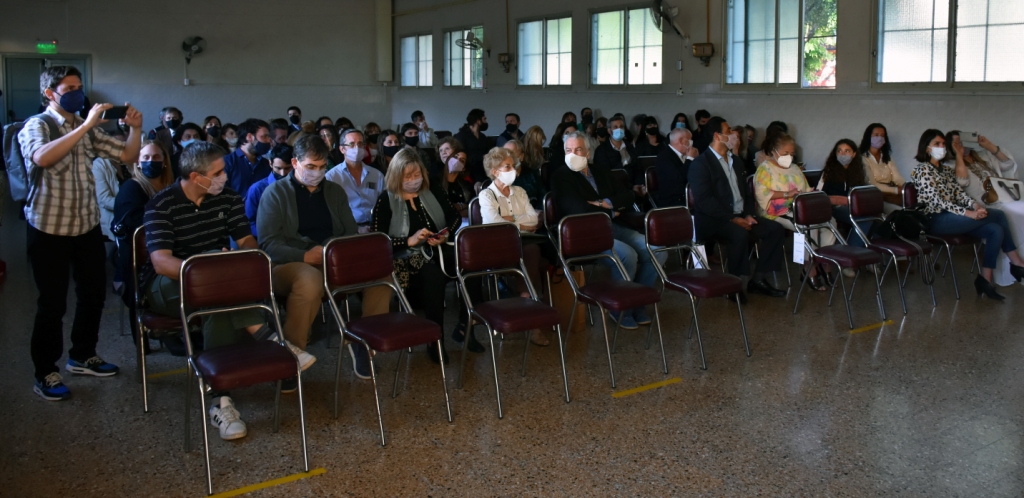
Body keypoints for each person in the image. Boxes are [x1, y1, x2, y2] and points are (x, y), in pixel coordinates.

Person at [20, 66, 143, 400]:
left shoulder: (85, 129)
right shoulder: (38, 125)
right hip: (48, 227)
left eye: (79, 86)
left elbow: (128, 154)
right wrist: (87, 124)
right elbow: (41, 157)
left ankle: (82, 354)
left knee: (93, 294)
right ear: (50, 93)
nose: (77, 92)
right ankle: (45, 371)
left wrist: (135, 129)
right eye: (69, 87)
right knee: (53, 303)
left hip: (85, 225)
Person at [143, 141, 273, 439]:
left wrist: (240, 259)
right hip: (168, 284)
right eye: (217, 172)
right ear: (194, 176)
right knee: (215, 292)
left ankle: (221, 400)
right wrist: (208, 273)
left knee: (215, 303)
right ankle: (266, 334)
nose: (224, 176)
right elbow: (162, 262)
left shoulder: (227, 198)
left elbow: (246, 242)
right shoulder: (162, 204)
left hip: (216, 283)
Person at [258, 134, 393, 380]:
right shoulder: (274, 193)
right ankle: (290, 357)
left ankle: (364, 342)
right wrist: (304, 255)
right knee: (309, 280)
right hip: (289, 263)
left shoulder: (334, 191)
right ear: (295, 162)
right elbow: (268, 244)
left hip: (332, 259)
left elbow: (349, 232)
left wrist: (334, 252)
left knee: (381, 274)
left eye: (322, 168)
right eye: (310, 167)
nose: (317, 173)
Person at [551, 132, 666, 329]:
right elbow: (578, 208)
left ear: (587, 153)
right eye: (568, 150)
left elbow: (627, 195)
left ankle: (636, 303)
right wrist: (610, 211)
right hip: (587, 233)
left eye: (577, 149)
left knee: (657, 251)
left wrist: (607, 203)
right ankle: (620, 309)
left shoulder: (600, 171)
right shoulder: (561, 176)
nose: (572, 154)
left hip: (614, 227)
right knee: (627, 255)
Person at [370, 149, 464, 362]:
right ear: (396, 176)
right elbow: (379, 241)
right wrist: (408, 240)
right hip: (405, 257)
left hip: (438, 248)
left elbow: (454, 217)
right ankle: (435, 340)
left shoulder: (433, 190)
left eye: (417, 175)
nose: (414, 180)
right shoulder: (386, 200)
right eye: (408, 177)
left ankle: (466, 326)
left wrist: (445, 233)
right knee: (432, 272)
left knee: (470, 262)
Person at [909, 129, 1024, 300]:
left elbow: (959, 194)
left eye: (942, 144)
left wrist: (975, 205)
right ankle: (1018, 264)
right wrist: (969, 213)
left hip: (956, 218)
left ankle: (985, 279)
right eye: (937, 144)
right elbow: (938, 201)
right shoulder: (922, 170)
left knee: (995, 230)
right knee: (999, 216)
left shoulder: (946, 171)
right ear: (927, 148)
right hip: (936, 219)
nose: (942, 147)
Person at [687, 117, 787, 304]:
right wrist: (732, 219)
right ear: (718, 135)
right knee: (739, 234)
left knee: (775, 230)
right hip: (713, 220)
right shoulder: (701, 164)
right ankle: (735, 285)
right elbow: (704, 201)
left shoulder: (736, 161)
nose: (733, 134)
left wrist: (748, 214)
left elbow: (747, 193)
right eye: (728, 130)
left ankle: (758, 279)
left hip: (740, 214)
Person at [479, 147, 551, 346]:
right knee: (530, 254)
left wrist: (511, 219)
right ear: (495, 171)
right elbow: (495, 224)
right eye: (507, 166)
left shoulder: (519, 191)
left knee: (531, 251)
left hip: (525, 244)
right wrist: (520, 223)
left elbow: (534, 219)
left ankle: (525, 299)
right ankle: (531, 314)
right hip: (499, 246)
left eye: (513, 165)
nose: (513, 169)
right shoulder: (486, 195)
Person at [111, 141, 175, 351]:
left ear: (165, 161)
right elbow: (136, 222)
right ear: (137, 162)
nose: (151, 162)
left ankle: (176, 330)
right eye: (146, 158)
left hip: (169, 244)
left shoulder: (171, 186)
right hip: (136, 252)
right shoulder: (132, 187)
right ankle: (146, 338)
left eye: (156, 157)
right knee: (141, 278)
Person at [753, 132, 835, 290]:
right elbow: (762, 195)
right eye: (785, 153)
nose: (789, 156)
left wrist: (812, 193)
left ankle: (824, 263)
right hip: (775, 211)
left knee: (829, 221)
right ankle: (808, 268)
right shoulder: (765, 169)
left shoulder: (795, 168)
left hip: (798, 208)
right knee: (806, 226)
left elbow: (804, 189)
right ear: (774, 151)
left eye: (792, 153)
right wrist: (786, 194)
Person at [945, 131, 1022, 286]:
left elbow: (1008, 165)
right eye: (957, 143)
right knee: (1009, 217)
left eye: (964, 141)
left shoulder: (983, 157)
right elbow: (961, 183)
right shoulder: (951, 165)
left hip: (1004, 199)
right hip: (984, 205)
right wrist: (959, 156)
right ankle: (1017, 264)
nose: (963, 145)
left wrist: (989, 146)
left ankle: (1014, 265)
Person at [325, 129, 385, 232]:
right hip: (346, 230)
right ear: (342, 149)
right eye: (351, 144)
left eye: (360, 144)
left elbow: (384, 203)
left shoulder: (376, 175)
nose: (357, 148)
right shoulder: (332, 177)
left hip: (375, 228)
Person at [818, 139, 872, 249]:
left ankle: (868, 256)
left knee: (876, 219)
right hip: (833, 208)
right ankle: (852, 254)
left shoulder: (858, 172)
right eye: (839, 151)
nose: (842, 154)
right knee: (864, 218)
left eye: (847, 151)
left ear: (854, 154)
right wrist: (839, 200)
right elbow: (818, 196)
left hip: (853, 206)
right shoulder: (828, 172)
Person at [245, 144, 293, 239]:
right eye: (278, 168)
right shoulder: (257, 190)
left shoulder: (298, 186)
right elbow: (249, 222)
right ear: (270, 163)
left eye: (287, 168)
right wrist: (268, 234)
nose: (282, 174)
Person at [859, 123, 905, 213]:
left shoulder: (887, 157)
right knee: (899, 212)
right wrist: (896, 190)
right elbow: (872, 184)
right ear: (868, 137)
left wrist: (905, 187)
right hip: (875, 196)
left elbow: (897, 177)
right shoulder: (862, 158)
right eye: (876, 135)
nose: (879, 138)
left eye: (882, 135)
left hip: (893, 195)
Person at [223, 118, 272, 202]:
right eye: (264, 136)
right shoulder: (227, 162)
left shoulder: (266, 164)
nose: (268, 140)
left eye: (268, 136)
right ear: (249, 137)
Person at [653, 127, 697, 207]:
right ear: (681, 141)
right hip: (673, 202)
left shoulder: (684, 155)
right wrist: (690, 159)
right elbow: (678, 178)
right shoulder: (664, 157)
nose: (691, 143)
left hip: (689, 197)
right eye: (689, 139)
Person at [593, 116, 639, 183]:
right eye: (615, 127)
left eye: (621, 127)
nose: (619, 129)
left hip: (633, 184)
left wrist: (639, 185)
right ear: (609, 131)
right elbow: (605, 175)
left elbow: (637, 168)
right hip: (614, 187)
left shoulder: (630, 147)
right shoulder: (601, 150)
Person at [505, 139, 546, 210]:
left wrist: (539, 212)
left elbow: (543, 197)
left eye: (512, 153)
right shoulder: (499, 178)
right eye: (504, 154)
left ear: (521, 156)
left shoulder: (532, 174)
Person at [454, 108, 490, 183]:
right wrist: (480, 157)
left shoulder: (483, 137)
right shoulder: (461, 136)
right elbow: (461, 156)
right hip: (468, 170)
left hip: (483, 169)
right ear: (478, 121)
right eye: (484, 119)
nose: (486, 122)